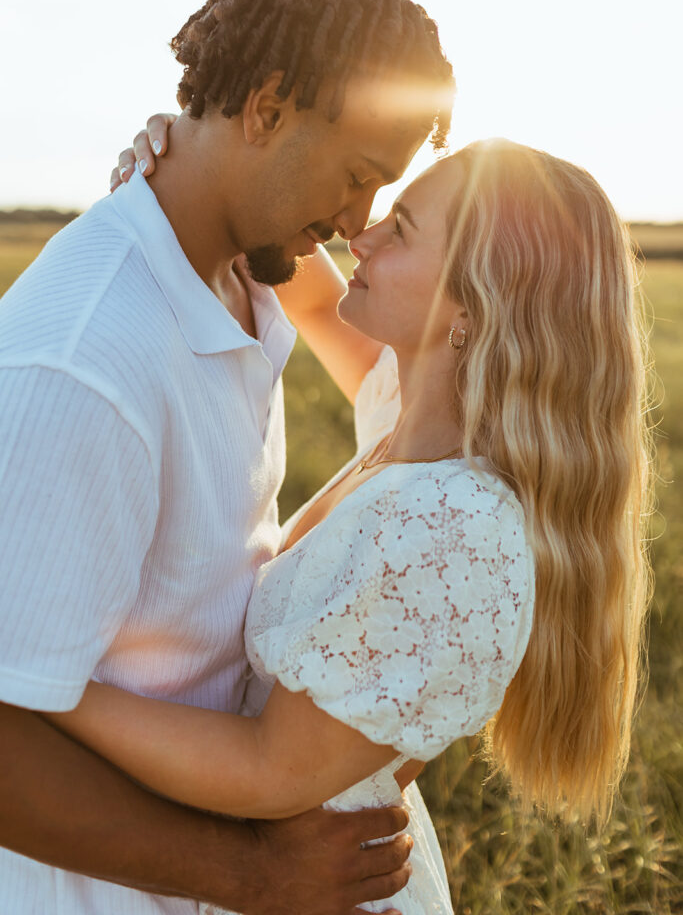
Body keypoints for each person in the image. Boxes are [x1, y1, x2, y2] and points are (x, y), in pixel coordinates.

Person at [46, 138, 653, 914]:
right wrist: (197, 163)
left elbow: (272, 771)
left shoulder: (448, 524)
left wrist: (48, 690)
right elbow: (294, 282)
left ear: (468, 307)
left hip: (316, 883)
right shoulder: (409, 417)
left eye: (399, 228)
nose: (355, 238)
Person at [0, 0, 455, 914]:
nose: (354, 221)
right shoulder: (85, 366)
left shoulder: (244, 269)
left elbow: (358, 330)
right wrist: (252, 875)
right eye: (356, 175)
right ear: (264, 107)